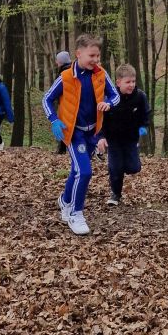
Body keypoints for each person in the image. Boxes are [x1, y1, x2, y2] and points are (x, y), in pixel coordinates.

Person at [42, 34, 119, 235]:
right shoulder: (66, 77)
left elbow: (115, 95)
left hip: (92, 132)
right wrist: (54, 120)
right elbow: (47, 99)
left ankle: (65, 200)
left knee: (77, 170)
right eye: (91, 55)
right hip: (73, 132)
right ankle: (75, 214)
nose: (95, 60)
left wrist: (108, 103)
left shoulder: (101, 74)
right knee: (84, 172)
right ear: (79, 54)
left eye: (98, 56)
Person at [100, 63, 151, 206]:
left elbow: (146, 115)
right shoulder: (110, 98)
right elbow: (101, 120)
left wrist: (143, 129)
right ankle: (115, 194)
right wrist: (101, 137)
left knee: (134, 168)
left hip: (131, 139)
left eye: (133, 81)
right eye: (128, 82)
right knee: (116, 168)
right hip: (113, 139)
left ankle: (122, 166)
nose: (131, 85)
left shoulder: (140, 96)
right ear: (118, 83)